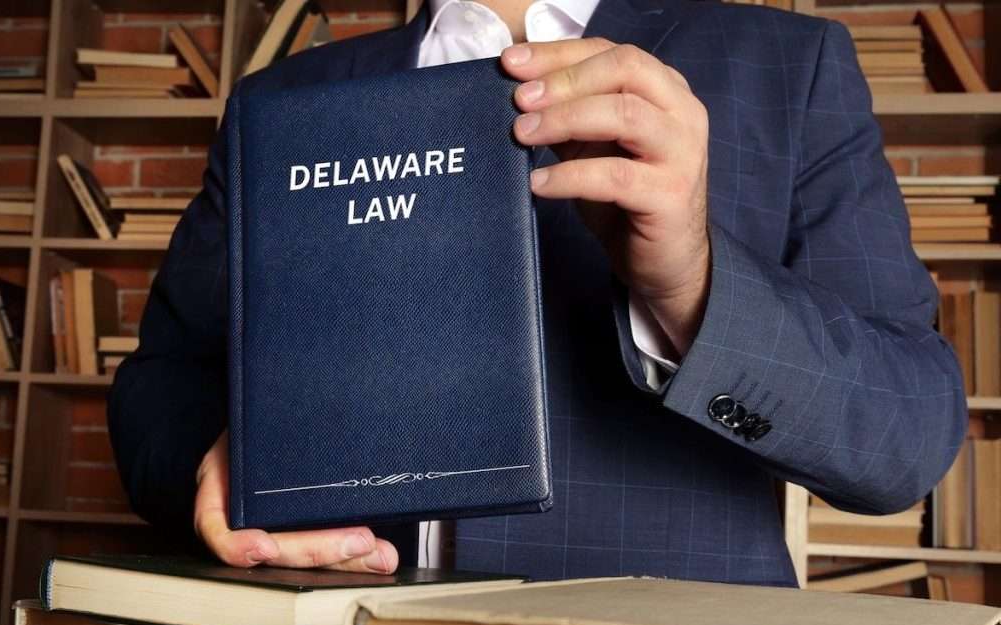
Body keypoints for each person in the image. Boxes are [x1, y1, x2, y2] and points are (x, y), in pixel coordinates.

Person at [108, 0, 967, 584]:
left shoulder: (788, 68)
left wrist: (694, 283)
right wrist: (215, 462)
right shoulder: (281, 100)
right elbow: (160, 386)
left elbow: (907, 440)